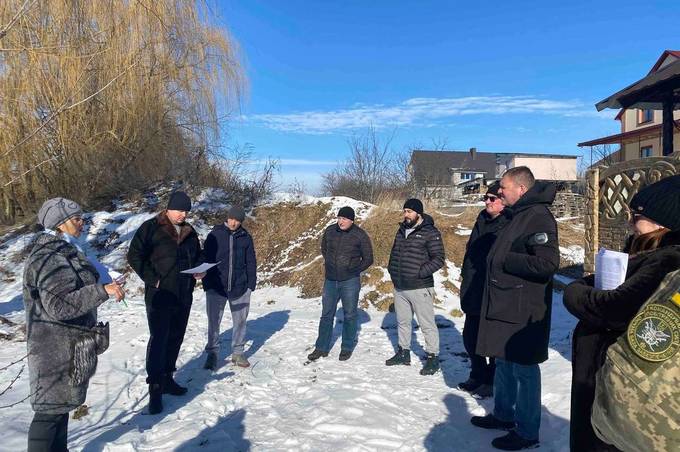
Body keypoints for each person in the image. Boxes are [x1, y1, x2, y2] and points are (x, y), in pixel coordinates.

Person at [563, 175, 680, 452]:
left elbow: (614, 308)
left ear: (663, 222)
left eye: (637, 216)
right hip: (612, 385)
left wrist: (576, 290)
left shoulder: (668, 259)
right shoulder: (648, 252)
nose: (630, 222)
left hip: (627, 394)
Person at [23, 197, 125, 452]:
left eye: (82, 217)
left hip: (67, 347)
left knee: (60, 411)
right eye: (77, 219)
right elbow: (59, 305)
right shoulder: (50, 256)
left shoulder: (66, 251)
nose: (83, 223)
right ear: (60, 223)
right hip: (53, 351)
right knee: (49, 414)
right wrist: (102, 290)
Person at [471, 167, 560, 451]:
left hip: (523, 310)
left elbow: (546, 264)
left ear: (521, 189)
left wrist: (505, 260)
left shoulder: (538, 217)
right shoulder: (517, 214)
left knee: (524, 369)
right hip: (505, 305)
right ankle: (503, 414)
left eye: (504, 187)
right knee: (504, 363)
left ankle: (527, 431)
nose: (500, 192)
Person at [127, 191, 203, 415]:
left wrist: (199, 270)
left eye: (186, 211)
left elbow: (197, 256)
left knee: (176, 336)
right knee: (159, 339)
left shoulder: (190, 232)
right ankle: (155, 388)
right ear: (169, 208)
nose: (183, 214)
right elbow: (134, 255)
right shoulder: (151, 228)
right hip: (160, 294)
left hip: (183, 292)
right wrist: (153, 279)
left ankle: (168, 378)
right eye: (179, 210)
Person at [458, 181, 508, 399]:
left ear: (503, 202)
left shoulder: (509, 223)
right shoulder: (481, 218)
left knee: (492, 341)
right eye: (485, 198)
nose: (487, 202)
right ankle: (477, 374)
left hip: (492, 289)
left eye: (492, 198)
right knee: (470, 337)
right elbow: (471, 249)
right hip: (473, 286)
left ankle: (492, 379)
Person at [385, 198, 445, 375]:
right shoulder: (401, 230)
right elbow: (394, 253)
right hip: (400, 286)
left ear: (418, 213)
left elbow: (439, 258)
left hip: (420, 286)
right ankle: (404, 353)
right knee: (403, 322)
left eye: (409, 211)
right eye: (404, 211)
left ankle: (433, 358)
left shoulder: (430, 231)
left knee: (427, 324)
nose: (406, 214)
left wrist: (419, 272)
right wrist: (392, 271)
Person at [307, 206, 374, 362]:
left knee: (350, 315)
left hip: (350, 281)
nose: (340, 221)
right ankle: (321, 347)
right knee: (326, 315)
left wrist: (354, 269)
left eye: (344, 219)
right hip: (330, 280)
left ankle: (347, 347)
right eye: (339, 218)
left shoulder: (360, 235)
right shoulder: (330, 231)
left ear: (351, 220)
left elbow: (369, 258)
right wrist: (330, 264)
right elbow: (324, 249)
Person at [202, 206, 257, 370]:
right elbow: (206, 258)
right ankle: (212, 353)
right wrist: (207, 284)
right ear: (227, 217)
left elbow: (251, 262)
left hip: (240, 287)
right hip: (216, 287)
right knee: (213, 322)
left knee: (240, 322)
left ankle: (238, 353)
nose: (234, 223)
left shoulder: (246, 237)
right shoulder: (215, 234)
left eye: (238, 220)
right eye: (232, 219)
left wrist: (251, 284)